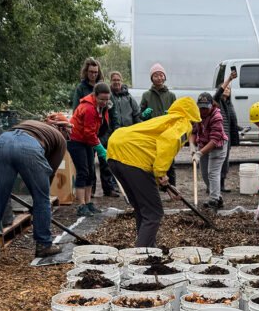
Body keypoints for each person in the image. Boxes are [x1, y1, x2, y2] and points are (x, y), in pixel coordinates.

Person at [107, 98, 201, 247]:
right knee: (154, 212)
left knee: (142, 208)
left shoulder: (166, 119)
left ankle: (147, 246)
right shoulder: (183, 123)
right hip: (133, 156)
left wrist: (165, 186)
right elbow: (167, 142)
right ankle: (141, 255)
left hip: (115, 150)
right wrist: (161, 173)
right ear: (193, 115)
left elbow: (154, 151)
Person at [0, 113, 70, 258]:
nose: (68, 136)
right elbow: (49, 174)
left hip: (2, 141)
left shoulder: (33, 123)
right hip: (28, 147)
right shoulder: (60, 139)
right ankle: (44, 244)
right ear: (60, 129)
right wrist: (38, 193)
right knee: (42, 199)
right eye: (67, 131)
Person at [71, 57, 118, 197]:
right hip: (85, 133)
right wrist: (95, 142)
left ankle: (108, 188)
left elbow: (112, 110)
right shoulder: (82, 90)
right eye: (91, 72)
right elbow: (77, 112)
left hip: (101, 131)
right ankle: (88, 193)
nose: (93, 74)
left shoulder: (104, 88)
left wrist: (114, 129)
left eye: (96, 72)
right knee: (87, 166)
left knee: (104, 162)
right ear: (86, 72)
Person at [69, 82, 112, 216]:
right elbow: (88, 132)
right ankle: (81, 205)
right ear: (95, 95)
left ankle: (88, 203)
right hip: (76, 140)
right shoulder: (89, 108)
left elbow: (95, 129)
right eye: (102, 99)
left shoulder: (100, 107)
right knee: (83, 171)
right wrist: (99, 147)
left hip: (86, 140)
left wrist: (97, 143)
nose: (104, 102)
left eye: (107, 99)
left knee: (90, 171)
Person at [138, 63, 178, 186]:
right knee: (154, 160)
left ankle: (172, 187)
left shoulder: (171, 95)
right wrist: (144, 114)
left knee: (169, 160)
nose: (159, 78)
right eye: (156, 75)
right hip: (153, 132)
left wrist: (171, 114)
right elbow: (140, 115)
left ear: (164, 77)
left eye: (161, 75)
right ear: (152, 78)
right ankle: (156, 185)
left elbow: (177, 113)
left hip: (167, 132)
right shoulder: (146, 95)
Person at [191, 91, 228, 208]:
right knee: (205, 174)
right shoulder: (196, 115)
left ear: (211, 105)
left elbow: (214, 141)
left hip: (217, 147)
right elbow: (193, 131)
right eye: (200, 108)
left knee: (213, 173)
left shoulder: (217, 117)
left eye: (205, 109)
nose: (202, 112)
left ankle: (214, 201)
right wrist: (192, 145)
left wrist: (199, 153)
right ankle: (217, 196)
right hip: (203, 145)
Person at [213, 68, 239, 192]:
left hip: (227, 136)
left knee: (225, 162)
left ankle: (221, 185)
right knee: (218, 161)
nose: (227, 89)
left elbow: (232, 122)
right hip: (219, 136)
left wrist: (240, 128)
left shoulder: (229, 105)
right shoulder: (217, 102)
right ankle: (214, 186)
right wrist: (229, 79)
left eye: (229, 88)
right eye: (226, 88)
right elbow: (218, 93)